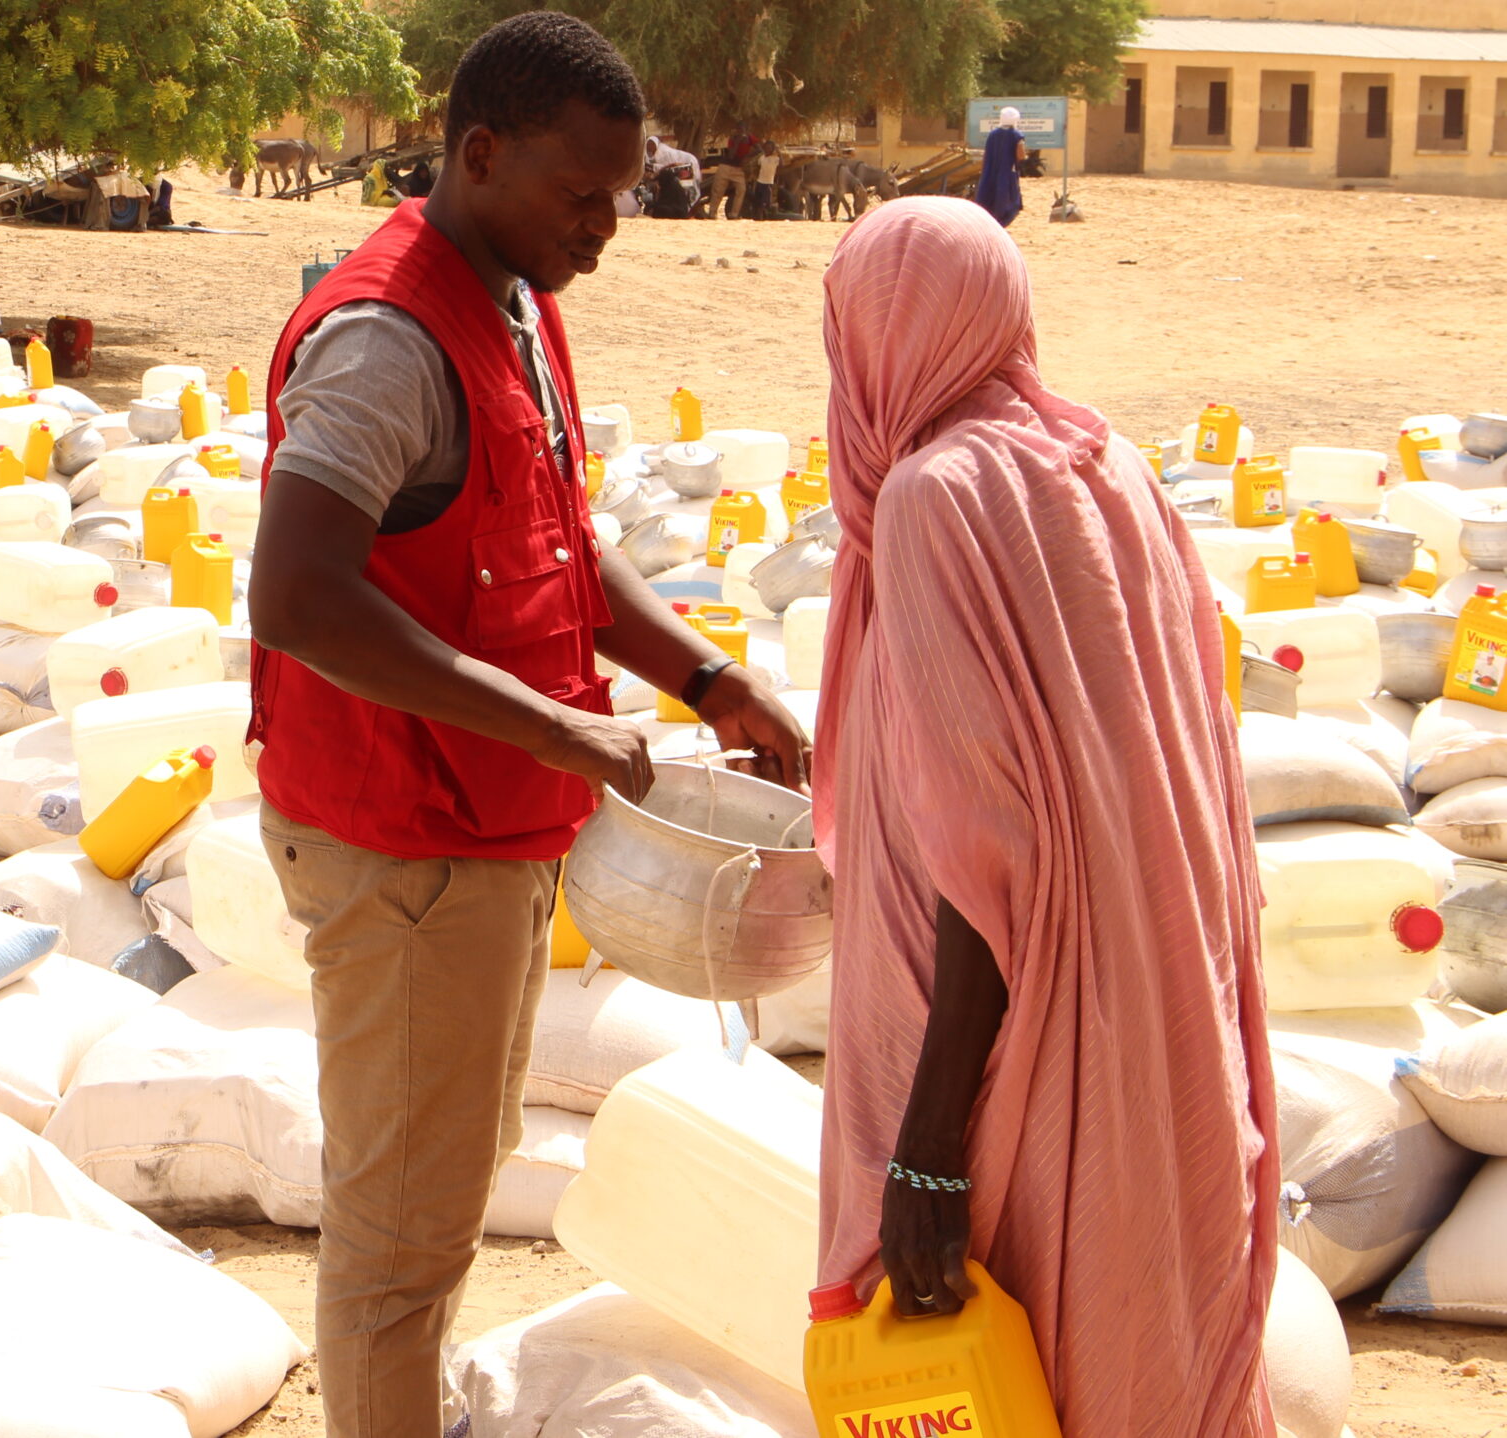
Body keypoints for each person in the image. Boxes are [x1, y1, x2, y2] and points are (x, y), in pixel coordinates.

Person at [244, 16, 808, 1437]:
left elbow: (556, 539)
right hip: (401, 844)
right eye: (582, 194)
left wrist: (708, 679)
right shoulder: (385, 339)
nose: (607, 227)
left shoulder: (511, 293)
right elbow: (300, 592)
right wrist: (562, 732)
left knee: (438, 1188)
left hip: (476, 828)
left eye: (622, 194)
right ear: (479, 154)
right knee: (399, 1240)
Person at [811, 198, 1275, 1435]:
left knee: (995, 1376)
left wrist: (925, 1154)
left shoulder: (932, 499)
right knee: (1134, 1350)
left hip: (985, 1045)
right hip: (1147, 1005)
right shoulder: (1106, 466)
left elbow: (986, 853)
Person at [976, 107, 1025, 228]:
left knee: (988, 199)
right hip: (1007, 173)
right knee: (1009, 202)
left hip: (989, 172)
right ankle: (1001, 225)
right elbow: (1021, 154)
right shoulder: (1016, 135)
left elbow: (986, 155)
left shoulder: (992, 135)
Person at [748, 141, 781, 219]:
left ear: (772, 149)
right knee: (757, 202)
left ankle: (764, 217)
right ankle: (758, 217)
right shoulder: (761, 158)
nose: (767, 150)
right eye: (766, 148)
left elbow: (781, 165)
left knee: (765, 203)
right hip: (760, 182)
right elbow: (758, 166)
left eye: (769, 148)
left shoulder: (775, 159)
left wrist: (780, 154)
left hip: (768, 183)